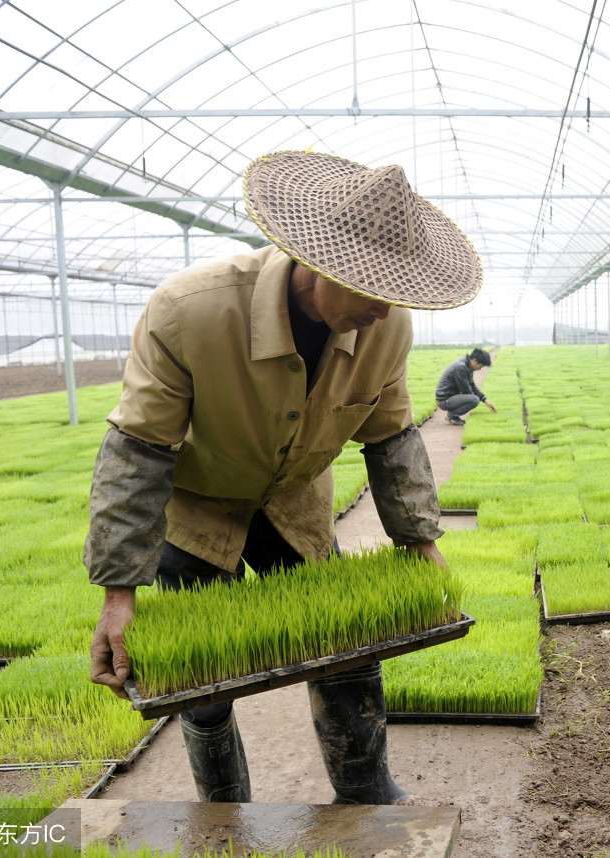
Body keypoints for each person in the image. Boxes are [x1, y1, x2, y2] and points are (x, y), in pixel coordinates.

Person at [85, 151, 483, 804]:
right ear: (318, 266)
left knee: (347, 651)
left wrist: (420, 541)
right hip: (199, 507)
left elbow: (391, 434)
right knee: (201, 679)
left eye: (396, 295)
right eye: (373, 291)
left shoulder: (388, 327)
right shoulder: (191, 312)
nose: (385, 313)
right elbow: (138, 450)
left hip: (297, 503)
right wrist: (118, 592)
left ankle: (366, 787)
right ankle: (224, 808)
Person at [435, 347, 496, 425]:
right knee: (474, 400)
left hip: (450, 396)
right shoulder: (461, 367)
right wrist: (475, 398)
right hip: (444, 400)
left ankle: (452, 415)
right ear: (475, 361)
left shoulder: (467, 366)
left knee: (474, 398)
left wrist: (485, 399)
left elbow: (472, 385)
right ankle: (452, 416)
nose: (480, 369)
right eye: (481, 366)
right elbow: (465, 390)